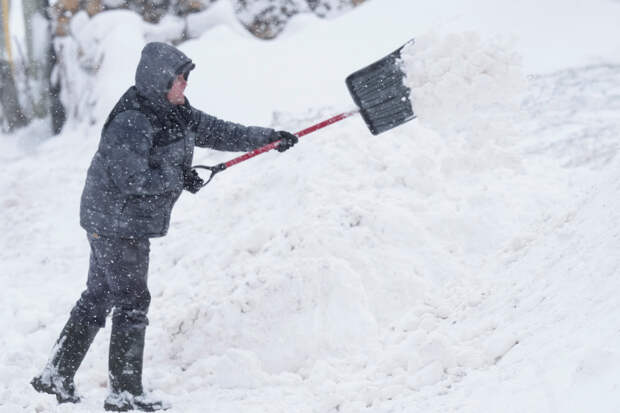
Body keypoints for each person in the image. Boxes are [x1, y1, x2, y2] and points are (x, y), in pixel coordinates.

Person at [30, 42, 298, 412]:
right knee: (131, 300)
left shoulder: (175, 111)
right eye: (180, 78)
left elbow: (219, 132)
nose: (185, 85)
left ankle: (55, 376)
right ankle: (124, 393)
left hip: (113, 219)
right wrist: (178, 178)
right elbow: (131, 178)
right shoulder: (134, 119)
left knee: (100, 295)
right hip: (116, 221)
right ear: (160, 80)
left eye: (187, 78)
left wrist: (269, 138)